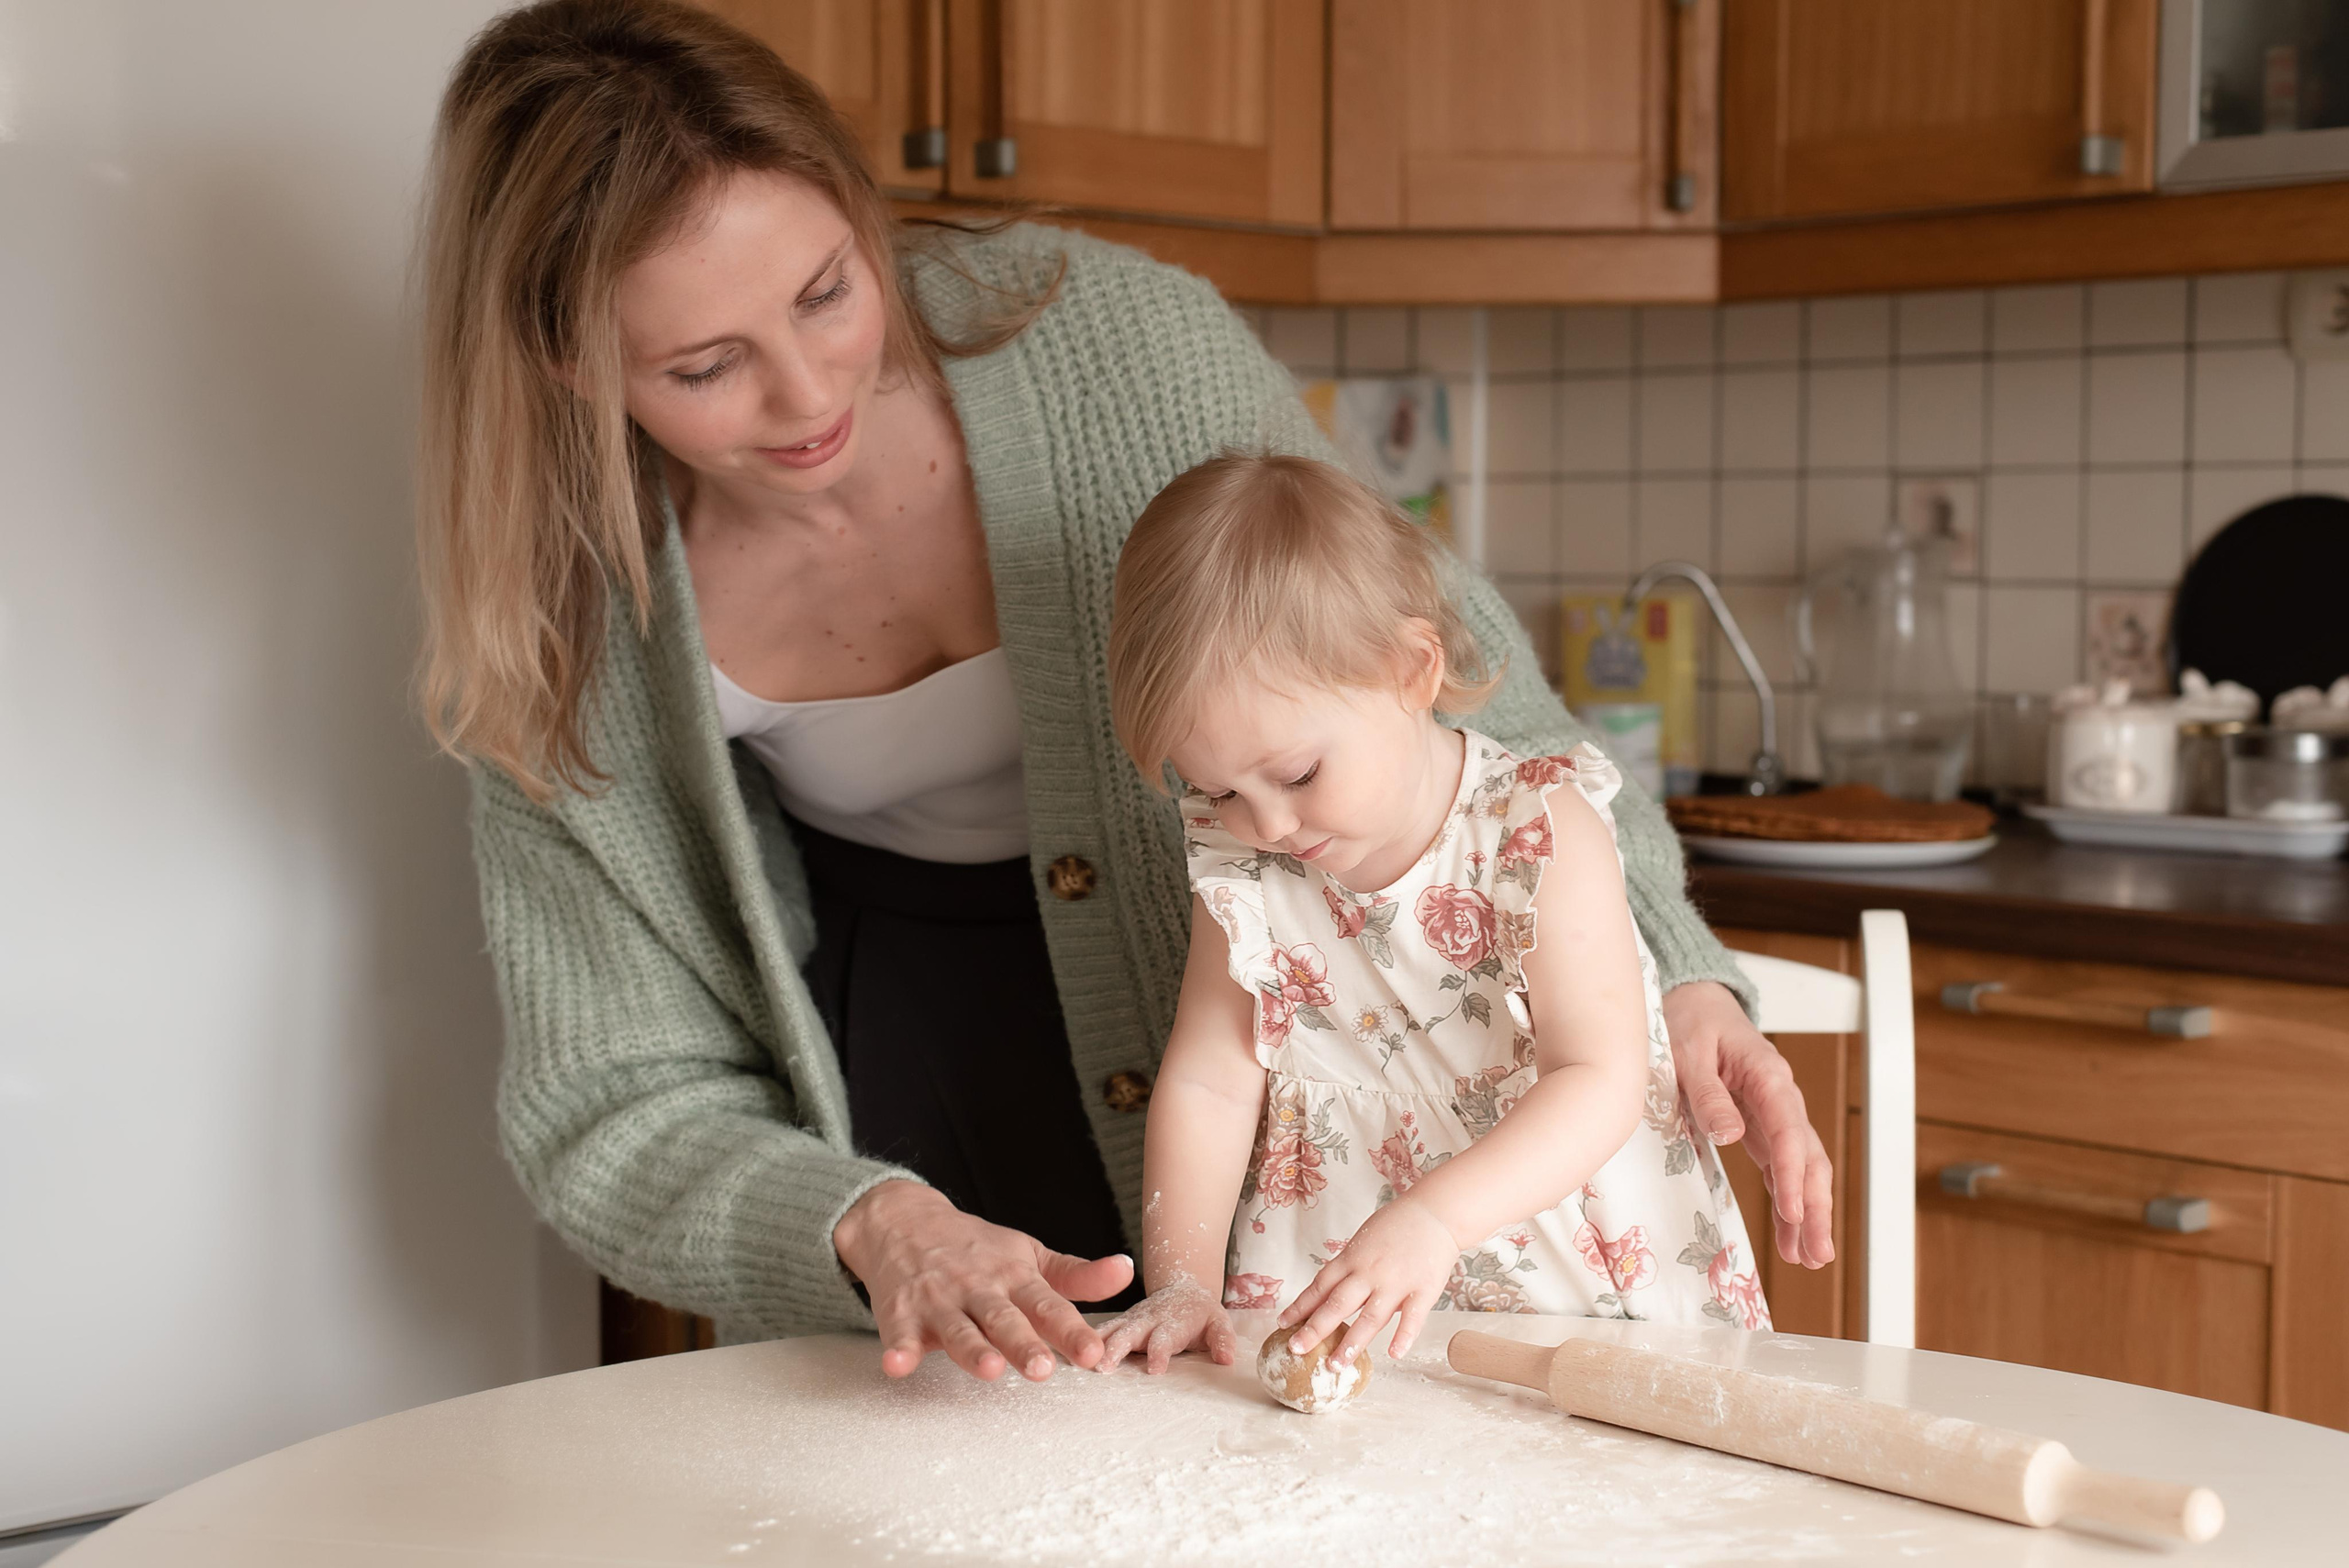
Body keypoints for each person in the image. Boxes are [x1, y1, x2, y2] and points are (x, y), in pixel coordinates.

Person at [414, 0, 1831, 1387]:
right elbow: (613, 1104)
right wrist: (864, 1220)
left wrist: (1675, 975)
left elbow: (1478, 718)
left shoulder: (1116, 348)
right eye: (706, 366)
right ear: (569, 362)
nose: (805, 396)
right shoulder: (560, 607)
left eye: (828, 290)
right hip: (901, 1083)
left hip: (1256, 1078)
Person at [1095, 455, 1769, 1376]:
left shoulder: (1537, 827)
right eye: (1216, 786)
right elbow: (1212, 1078)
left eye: (1294, 774)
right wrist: (1183, 1280)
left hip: (1577, 1289)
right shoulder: (1244, 857)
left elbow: (1598, 1076)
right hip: (1340, 1282)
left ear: (1412, 669)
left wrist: (1434, 1219)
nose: (1269, 824)